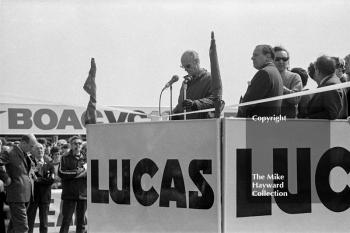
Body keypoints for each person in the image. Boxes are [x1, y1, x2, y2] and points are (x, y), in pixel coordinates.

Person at [0, 134, 37, 233]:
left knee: (13, 227)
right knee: (23, 228)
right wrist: (6, 178)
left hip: (26, 195)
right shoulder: (9, 152)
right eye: (31, 146)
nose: (33, 148)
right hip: (17, 195)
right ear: (24, 143)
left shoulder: (26, 154)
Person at [237, 44, 283, 117]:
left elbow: (247, 104)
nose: (252, 58)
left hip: (257, 125)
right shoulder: (275, 72)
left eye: (256, 55)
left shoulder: (264, 73)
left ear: (268, 57)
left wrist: (237, 119)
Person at [172, 50, 215, 120]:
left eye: (188, 66)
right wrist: (174, 113)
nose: (185, 69)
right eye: (183, 67)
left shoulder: (210, 79)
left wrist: (195, 104)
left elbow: (214, 100)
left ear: (197, 62)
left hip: (201, 126)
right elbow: (181, 105)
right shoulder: (185, 82)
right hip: (183, 126)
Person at [58, 136, 87, 233]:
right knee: (66, 221)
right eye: (75, 143)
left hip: (83, 193)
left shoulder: (86, 157)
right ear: (70, 145)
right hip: (69, 194)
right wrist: (77, 173)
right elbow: (61, 173)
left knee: (81, 222)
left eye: (79, 143)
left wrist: (80, 172)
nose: (77, 145)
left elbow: (91, 173)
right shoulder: (64, 157)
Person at [304, 55, 345, 119]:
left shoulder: (331, 85)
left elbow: (331, 113)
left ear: (317, 71)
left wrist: (309, 118)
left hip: (326, 128)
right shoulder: (330, 82)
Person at [27, 143, 55, 233]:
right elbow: (28, 177)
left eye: (41, 148)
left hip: (45, 196)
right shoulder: (28, 161)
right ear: (33, 151)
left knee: (44, 222)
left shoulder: (49, 162)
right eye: (37, 149)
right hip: (32, 196)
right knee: (30, 221)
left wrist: (38, 179)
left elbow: (51, 180)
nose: (40, 150)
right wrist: (36, 174)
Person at [273, 46, 302, 118]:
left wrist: (282, 89)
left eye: (284, 59)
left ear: (288, 61)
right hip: (267, 120)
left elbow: (296, 99)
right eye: (277, 59)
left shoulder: (295, 77)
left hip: (288, 121)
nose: (281, 61)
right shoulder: (266, 77)